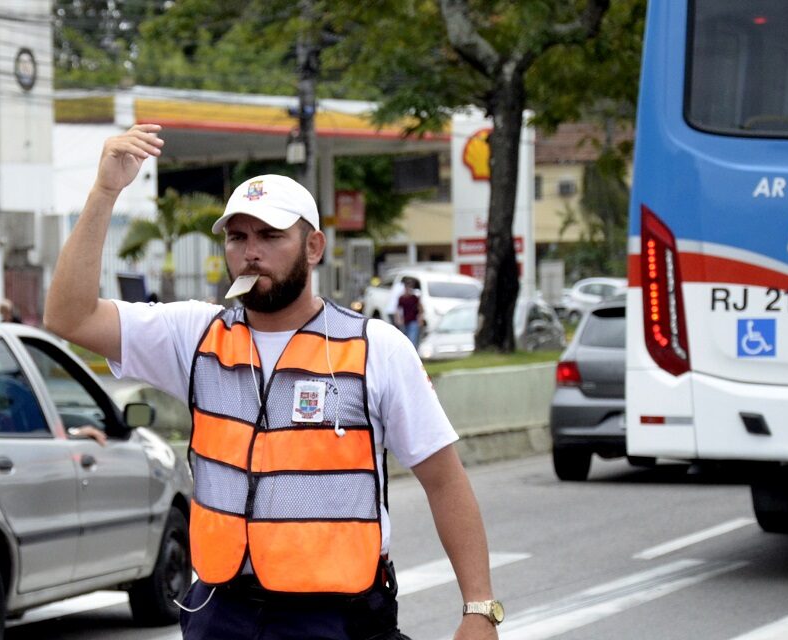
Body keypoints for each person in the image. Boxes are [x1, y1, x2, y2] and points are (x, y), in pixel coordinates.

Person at [44, 124, 503, 639]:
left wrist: (479, 607)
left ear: (313, 247)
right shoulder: (195, 336)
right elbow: (69, 316)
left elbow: (444, 480)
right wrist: (105, 192)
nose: (250, 252)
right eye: (237, 237)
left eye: (270, 235)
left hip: (338, 616)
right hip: (222, 612)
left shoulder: (377, 347)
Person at [396, 277, 423, 349]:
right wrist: (399, 319)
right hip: (405, 321)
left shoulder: (414, 298)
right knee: (405, 339)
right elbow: (398, 309)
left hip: (413, 320)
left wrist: (420, 319)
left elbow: (420, 309)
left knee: (412, 339)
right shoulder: (401, 298)